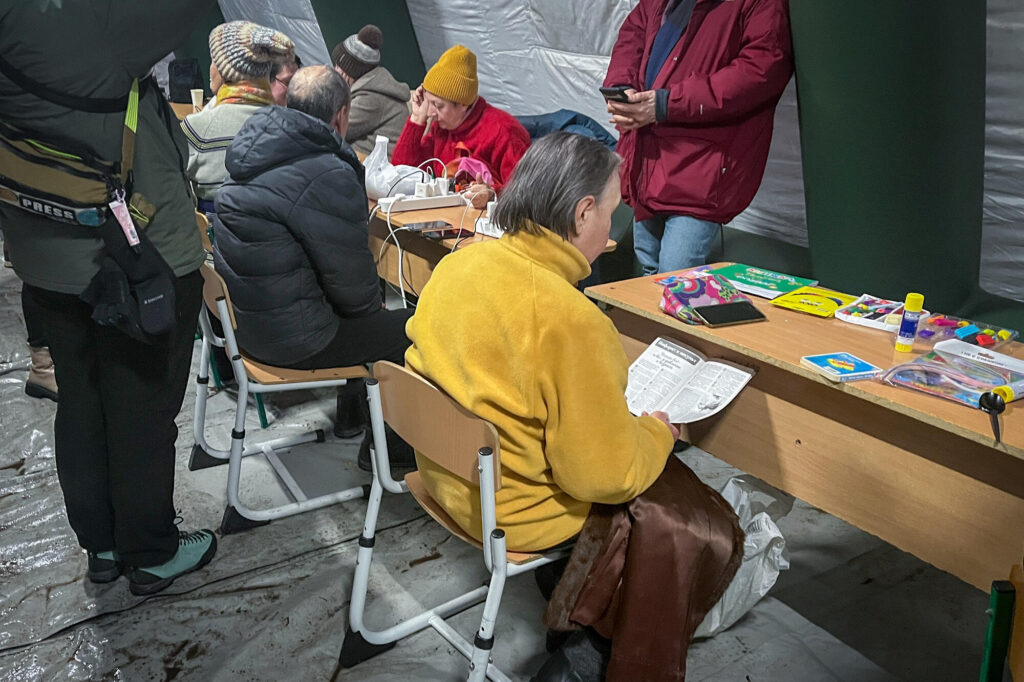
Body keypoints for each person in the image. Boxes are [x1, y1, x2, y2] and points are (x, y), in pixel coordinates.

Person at [404, 133, 742, 680]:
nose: (612, 230)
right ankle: (588, 653)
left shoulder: (460, 265)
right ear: (584, 212)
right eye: (611, 213)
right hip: (516, 512)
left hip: (449, 475)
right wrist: (659, 432)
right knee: (684, 522)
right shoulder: (572, 319)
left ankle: (570, 598)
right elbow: (604, 479)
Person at [0, 1, 218, 595]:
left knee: (81, 404)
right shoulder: (96, 22)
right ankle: (151, 552)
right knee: (141, 412)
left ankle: (100, 546)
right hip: (134, 260)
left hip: (44, 258)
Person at [213, 66, 415, 469]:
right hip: (295, 340)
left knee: (359, 314)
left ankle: (353, 417)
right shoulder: (325, 171)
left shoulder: (255, 148)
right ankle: (389, 450)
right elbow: (356, 288)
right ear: (342, 115)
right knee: (414, 326)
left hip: (248, 330)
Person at [604, 0, 793, 274]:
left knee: (675, 275)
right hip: (647, 157)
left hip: (700, 169)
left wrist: (668, 104)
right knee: (646, 269)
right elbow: (633, 33)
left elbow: (761, 70)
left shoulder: (761, 5)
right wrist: (621, 88)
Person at [392, 45, 530, 209]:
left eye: (437, 105)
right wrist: (416, 119)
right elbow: (402, 174)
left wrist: (492, 194)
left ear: (463, 105)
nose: (430, 112)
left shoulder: (504, 132)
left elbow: (526, 195)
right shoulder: (441, 129)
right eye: (428, 102)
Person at [182, 21, 294, 214]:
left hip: (215, 239)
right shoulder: (289, 126)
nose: (211, 68)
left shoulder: (198, 130)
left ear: (227, 70)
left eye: (214, 61)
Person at [331, 25, 411, 156]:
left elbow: (334, 129)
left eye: (339, 67)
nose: (335, 71)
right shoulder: (372, 86)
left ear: (351, 71)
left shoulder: (370, 98)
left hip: (378, 170)